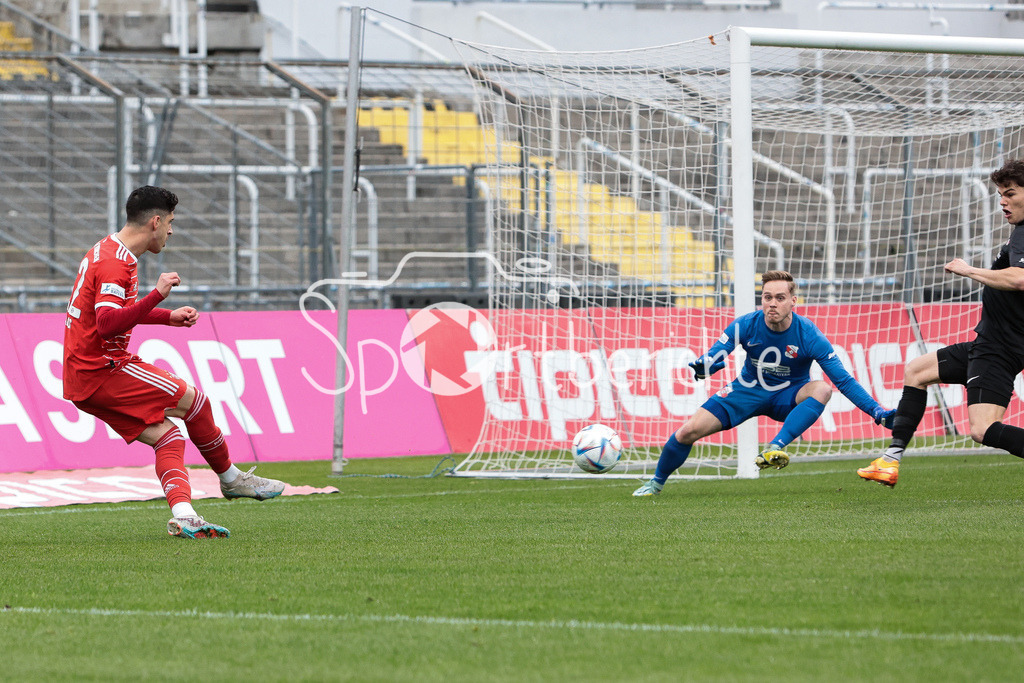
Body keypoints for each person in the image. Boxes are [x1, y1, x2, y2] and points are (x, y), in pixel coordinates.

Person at [63, 185, 286, 538]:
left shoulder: (109, 250)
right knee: (196, 402)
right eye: (170, 222)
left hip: (83, 377)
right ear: (155, 221)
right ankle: (231, 479)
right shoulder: (114, 263)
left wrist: (167, 316)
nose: (171, 230)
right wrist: (157, 294)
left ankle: (185, 515)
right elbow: (106, 325)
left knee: (168, 437)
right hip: (103, 367)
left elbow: (112, 314)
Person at [634, 270, 895, 496]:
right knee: (687, 432)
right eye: (767, 297)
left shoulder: (810, 335)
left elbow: (844, 381)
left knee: (823, 388)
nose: (772, 304)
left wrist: (877, 412)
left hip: (788, 396)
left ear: (793, 301)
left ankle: (775, 448)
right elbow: (716, 354)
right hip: (746, 390)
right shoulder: (746, 324)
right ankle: (655, 484)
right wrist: (705, 367)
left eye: (780, 298)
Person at [859, 159, 1024, 488]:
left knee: (982, 429)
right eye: (999, 194)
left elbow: (1020, 279)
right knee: (917, 371)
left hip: (999, 350)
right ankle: (890, 459)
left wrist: (970, 271)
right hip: (987, 343)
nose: (1002, 201)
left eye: (1010, 193)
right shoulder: (1018, 232)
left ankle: (890, 460)